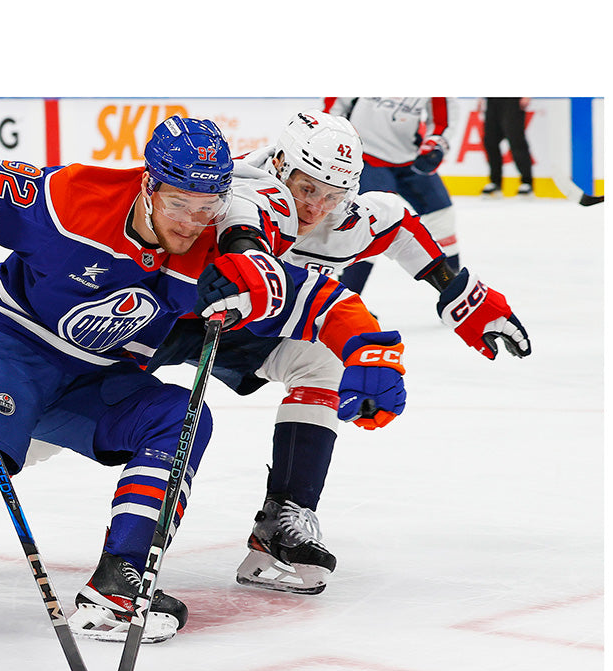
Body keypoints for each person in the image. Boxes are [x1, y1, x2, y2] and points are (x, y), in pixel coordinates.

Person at [0, 115, 405, 663]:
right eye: (179, 204)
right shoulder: (75, 201)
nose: (191, 222)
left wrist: (368, 349)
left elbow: (315, 297)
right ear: (148, 185)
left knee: (180, 419)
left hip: (95, 374)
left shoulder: (217, 244)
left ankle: (119, 588)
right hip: (9, 346)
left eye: (207, 209)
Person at [147, 110, 531, 595]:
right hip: (155, 316)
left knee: (321, 361)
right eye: (308, 189)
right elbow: (245, 232)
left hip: (241, 325)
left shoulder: (345, 218)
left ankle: (282, 523)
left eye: (333, 195)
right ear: (282, 164)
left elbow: (399, 226)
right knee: (54, 420)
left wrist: (458, 296)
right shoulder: (240, 187)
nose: (316, 207)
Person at [320, 97, 459, 295]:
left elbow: (442, 119)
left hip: (409, 157)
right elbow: (333, 109)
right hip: (366, 156)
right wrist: (337, 144)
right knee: (367, 226)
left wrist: (435, 145)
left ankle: (456, 293)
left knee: (442, 215)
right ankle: (346, 299)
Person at [480, 98, 534, 196]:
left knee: (516, 139)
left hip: (512, 100)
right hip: (492, 100)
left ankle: (527, 181)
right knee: (490, 141)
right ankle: (495, 182)